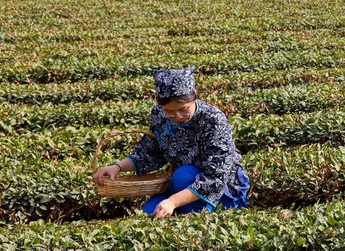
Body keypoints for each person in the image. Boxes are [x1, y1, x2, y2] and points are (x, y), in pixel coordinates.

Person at [92, 67, 250, 218]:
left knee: (182, 174)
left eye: (183, 109)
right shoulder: (159, 115)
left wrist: (173, 201)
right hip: (180, 188)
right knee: (148, 213)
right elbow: (148, 152)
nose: (178, 116)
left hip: (218, 192)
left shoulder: (213, 119)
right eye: (169, 112)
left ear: (195, 95)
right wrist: (117, 167)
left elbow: (216, 177)